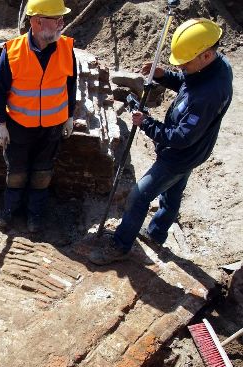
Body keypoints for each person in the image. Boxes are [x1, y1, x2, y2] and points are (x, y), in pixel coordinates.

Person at [89, 18, 233, 265]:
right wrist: (165, 76)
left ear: (206, 55)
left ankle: (120, 245)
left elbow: (180, 137)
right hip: (196, 151)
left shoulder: (210, 93)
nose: (183, 67)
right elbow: (188, 83)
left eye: (185, 63)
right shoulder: (213, 67)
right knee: (172, 193)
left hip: (180, 155)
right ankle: (156, 234)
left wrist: (145, 122)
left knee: (138, 196)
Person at [0, 0, 77, 233]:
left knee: (42, 173)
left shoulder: (66, 49)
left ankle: (35, 216)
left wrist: (69, 115)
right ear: (38, 21)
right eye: (57, 19)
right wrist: (1, 124)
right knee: (17, 172)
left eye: (62, 18)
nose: (62, 24)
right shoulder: (13, 51)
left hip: (52, 128)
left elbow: (71, 85)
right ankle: (9, 211)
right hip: (19, 126)